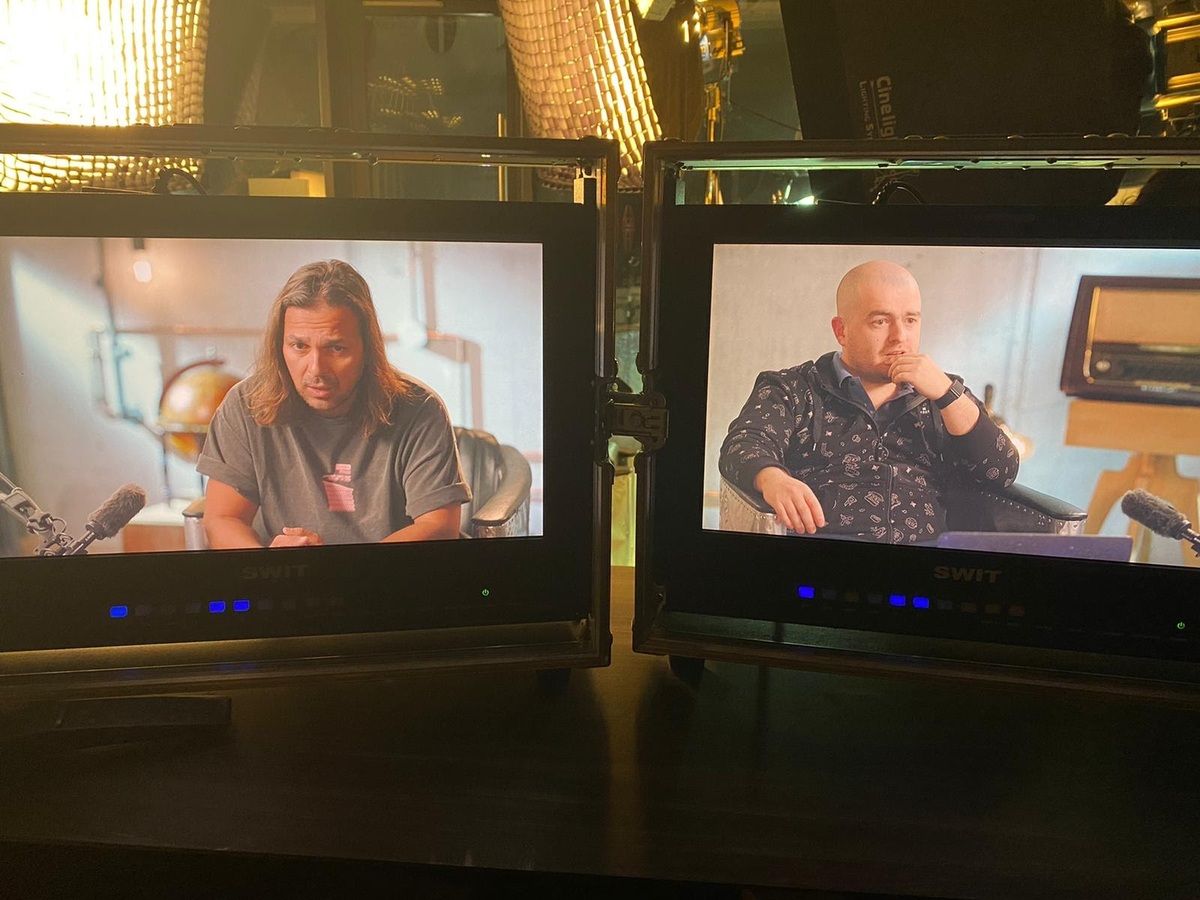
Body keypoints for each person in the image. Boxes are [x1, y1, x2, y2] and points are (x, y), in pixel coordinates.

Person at [719, 260, 1019, 544]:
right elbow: (743, 444)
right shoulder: (792, 388)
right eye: (880, 321)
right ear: (841, 331)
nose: (899, 337)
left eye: (910, 320)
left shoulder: (946, 394)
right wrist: (773, 479)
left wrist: (947, 394)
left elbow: (1002, 471)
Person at [197, 260, 470, 548]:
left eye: (336, 348)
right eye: (299, 346)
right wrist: (272, 564)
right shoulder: (245, 405)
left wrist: (337, 567)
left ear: (367, 348)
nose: (316, 369)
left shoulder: (420, 409)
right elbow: (224, 518)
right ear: (280, 345)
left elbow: (438, 526)